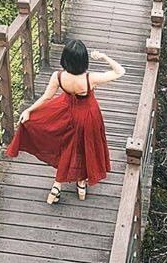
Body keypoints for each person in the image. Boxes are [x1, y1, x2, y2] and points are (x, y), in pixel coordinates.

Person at [6, 38, 124, 204]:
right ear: (83, 61)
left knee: (67, 146)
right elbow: (120, 71)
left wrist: (29, 110)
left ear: (65, 59)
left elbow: (47, 97)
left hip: (66, 114)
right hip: (88, 117)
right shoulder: (90, 78)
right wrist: (104, 56)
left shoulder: (58, 76)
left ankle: (57, 186)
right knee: (84, 146)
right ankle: (81, 184)